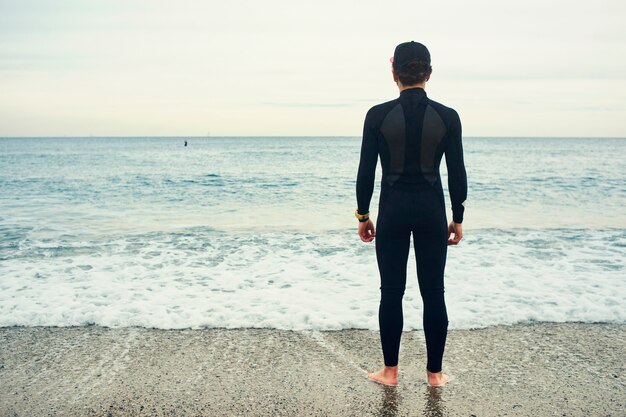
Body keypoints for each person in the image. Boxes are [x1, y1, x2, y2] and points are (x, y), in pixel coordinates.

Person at [355, 41, 467, 388]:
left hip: (393, 209)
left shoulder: (377, 115)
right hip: (432, 210)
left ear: (394, 74)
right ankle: (434, 374)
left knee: (391, 291)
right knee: (434, 292)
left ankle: (390, 373)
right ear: (428, 74)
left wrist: (363, 215)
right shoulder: (448, 117)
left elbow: (366, 172)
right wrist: (457, 215)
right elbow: (457, 172)